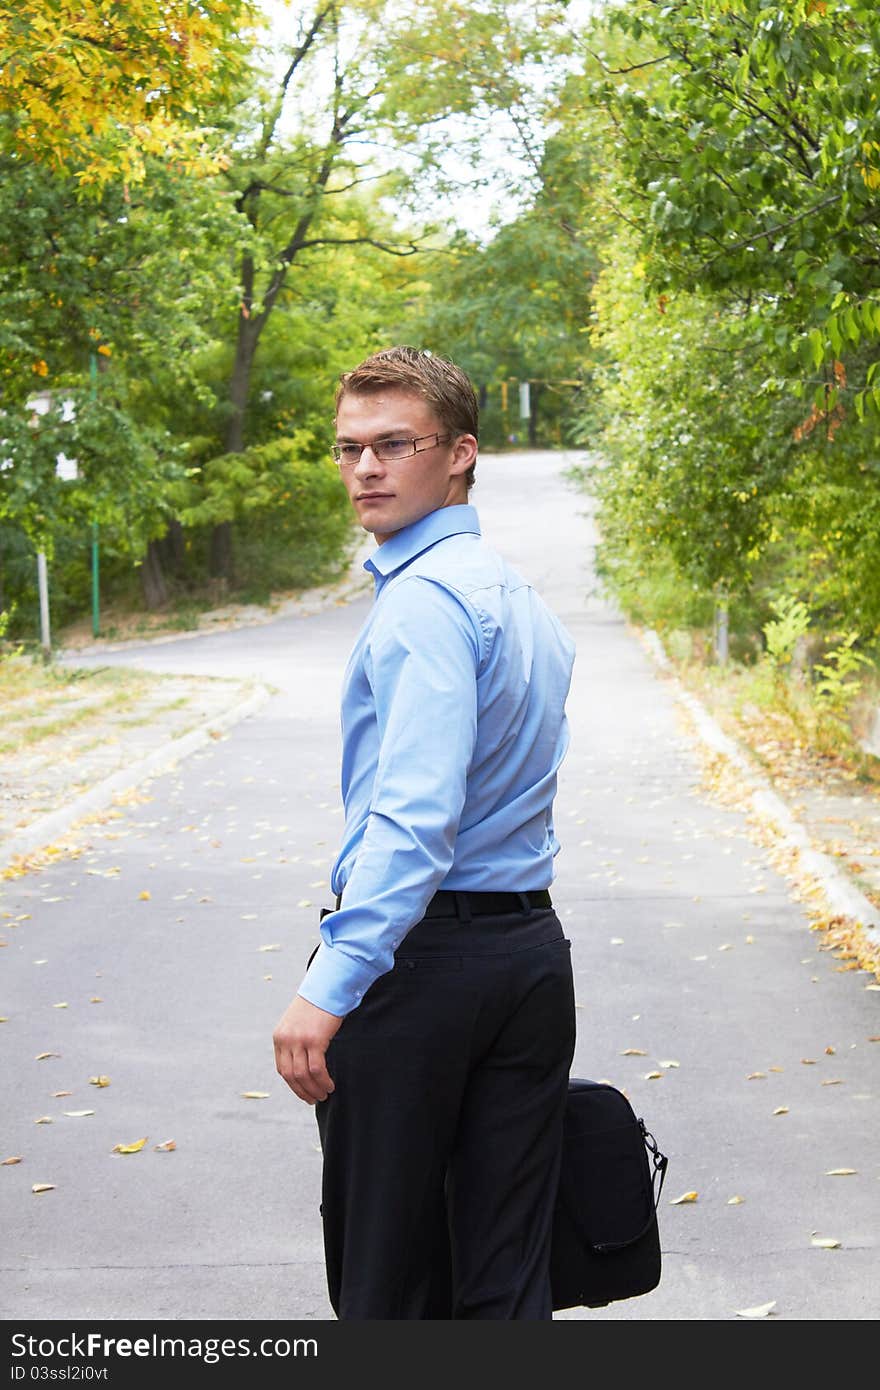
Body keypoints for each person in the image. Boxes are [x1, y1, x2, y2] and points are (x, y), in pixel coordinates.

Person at [272, 345, 577, 1320]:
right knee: (504, 1278)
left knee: (388, 1286)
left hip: (425, 964)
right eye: (349, 448)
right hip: (527, 958)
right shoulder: (515, 595)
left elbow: (414, 819)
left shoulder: (423, 606)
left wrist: (331, 984)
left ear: (459, 453)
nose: (365, 467)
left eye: (393, 444)